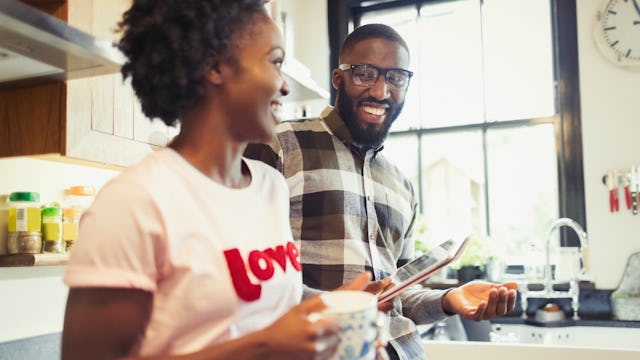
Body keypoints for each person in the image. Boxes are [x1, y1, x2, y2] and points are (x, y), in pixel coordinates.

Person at [60, 1, 374, 359]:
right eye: (275, 61)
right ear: (214, 66)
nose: (285, 86)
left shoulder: (270, 186)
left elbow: (262, 317)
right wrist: (265, 345)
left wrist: (328, 327)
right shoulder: (135, 201)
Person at [245, 23, 518, 359]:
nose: (380, 91)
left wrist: (448, 300)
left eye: (395, 78)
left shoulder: (401, 184)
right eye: (364, 74)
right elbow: (245, 275)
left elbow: (400, 295)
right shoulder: (280, 145)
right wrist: (349, 306)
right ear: (338, 79)